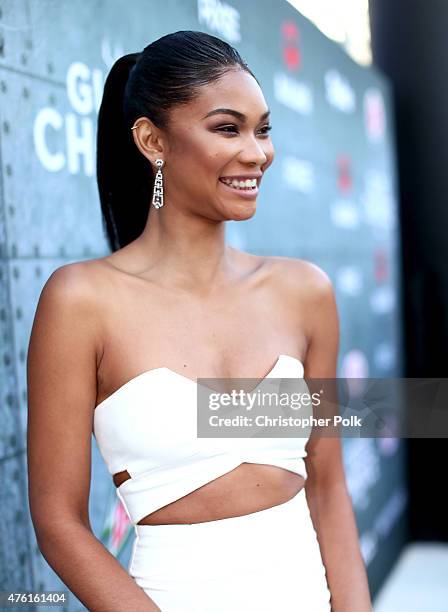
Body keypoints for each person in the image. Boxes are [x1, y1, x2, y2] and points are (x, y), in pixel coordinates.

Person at [27, 30, 372, 612]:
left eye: (263, 129)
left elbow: (330, 488)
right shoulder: (80, 300)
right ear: (151, 140)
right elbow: (59, 523)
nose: (257, 152)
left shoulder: (304, 292)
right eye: (227, 128)